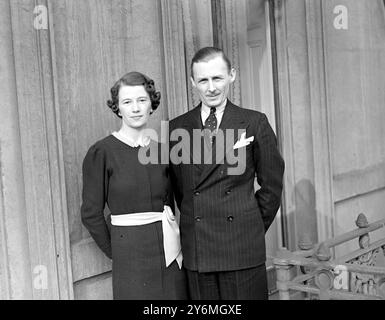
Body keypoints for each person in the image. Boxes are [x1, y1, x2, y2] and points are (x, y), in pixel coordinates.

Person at [169, 47, 285, 300]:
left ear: (232, 75)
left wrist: (248, 225)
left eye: (217, 78)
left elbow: (272, 187)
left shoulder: (255, 122)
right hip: (199, 252)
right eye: (203, 80)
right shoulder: (177, 128)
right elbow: (182, 192)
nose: (211, 87)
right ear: (193, 82)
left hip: (242, 248)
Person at [81, 71, 188, 300]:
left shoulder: (163, 151)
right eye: (127, 102)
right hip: (129, 256)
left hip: (168, 250)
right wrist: (117, 251)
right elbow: (90, 213)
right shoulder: (102, 152)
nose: (136, 108)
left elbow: (170, 205)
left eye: (142, 100)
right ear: (117, 108)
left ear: (151, 104)